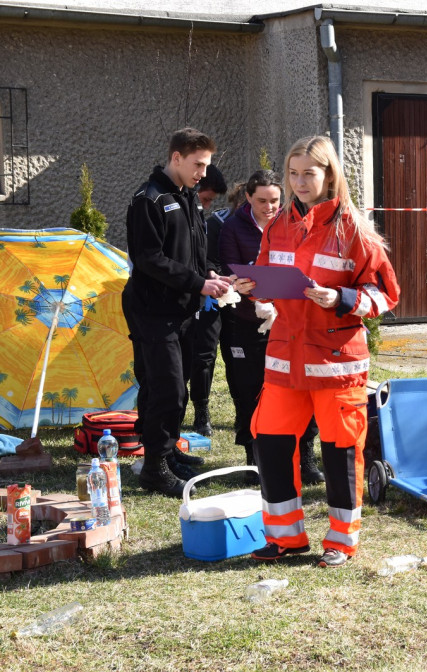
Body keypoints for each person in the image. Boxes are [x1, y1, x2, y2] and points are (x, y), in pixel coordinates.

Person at [235, 136, 400, 567]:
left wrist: (342, 300)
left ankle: (342, 541)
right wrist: (254, 290)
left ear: (329, 175)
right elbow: (269, 282)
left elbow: (385, 295)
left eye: (309, 172)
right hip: (284, 359)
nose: (299, 181)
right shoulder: (277, 225)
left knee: (340, 451)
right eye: (293, 172)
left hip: (336, 362)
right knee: (269, 444)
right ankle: (286, 538)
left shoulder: (355, 230)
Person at [123, 128, 232, 497]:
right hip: (153, 310)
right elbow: (150, 259)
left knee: (173, 389)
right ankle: (154, 469)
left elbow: (192, 249)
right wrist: (199, 284)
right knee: (166, 391)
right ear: (176, 158)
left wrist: (208, 274)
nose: (203, 172)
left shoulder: (186, 196)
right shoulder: (149, 199)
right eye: (198, 164)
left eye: (206, 164)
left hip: (181, 309)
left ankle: (167, 456)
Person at [219, 169, 322, 485]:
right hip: (247, 324)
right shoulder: (232, 228)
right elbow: (228, 270)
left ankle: (304, 458)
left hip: (291, 323)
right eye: (262, 200)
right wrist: (244, 284)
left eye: (275, 200)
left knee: (300, 388)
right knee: (249, 391)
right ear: (248, 197)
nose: (269, 207)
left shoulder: (294, 224)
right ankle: (255, 460)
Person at [181, 164, 228, 437]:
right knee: (186, 357)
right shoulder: (177, 214)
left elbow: (206, 258)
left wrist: (212, 271)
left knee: (206, 355)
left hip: (209, 299)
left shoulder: (205, 220)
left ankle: (202, 411)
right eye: (206, 198)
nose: (208, 205)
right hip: (185, 300)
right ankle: (177, 409)